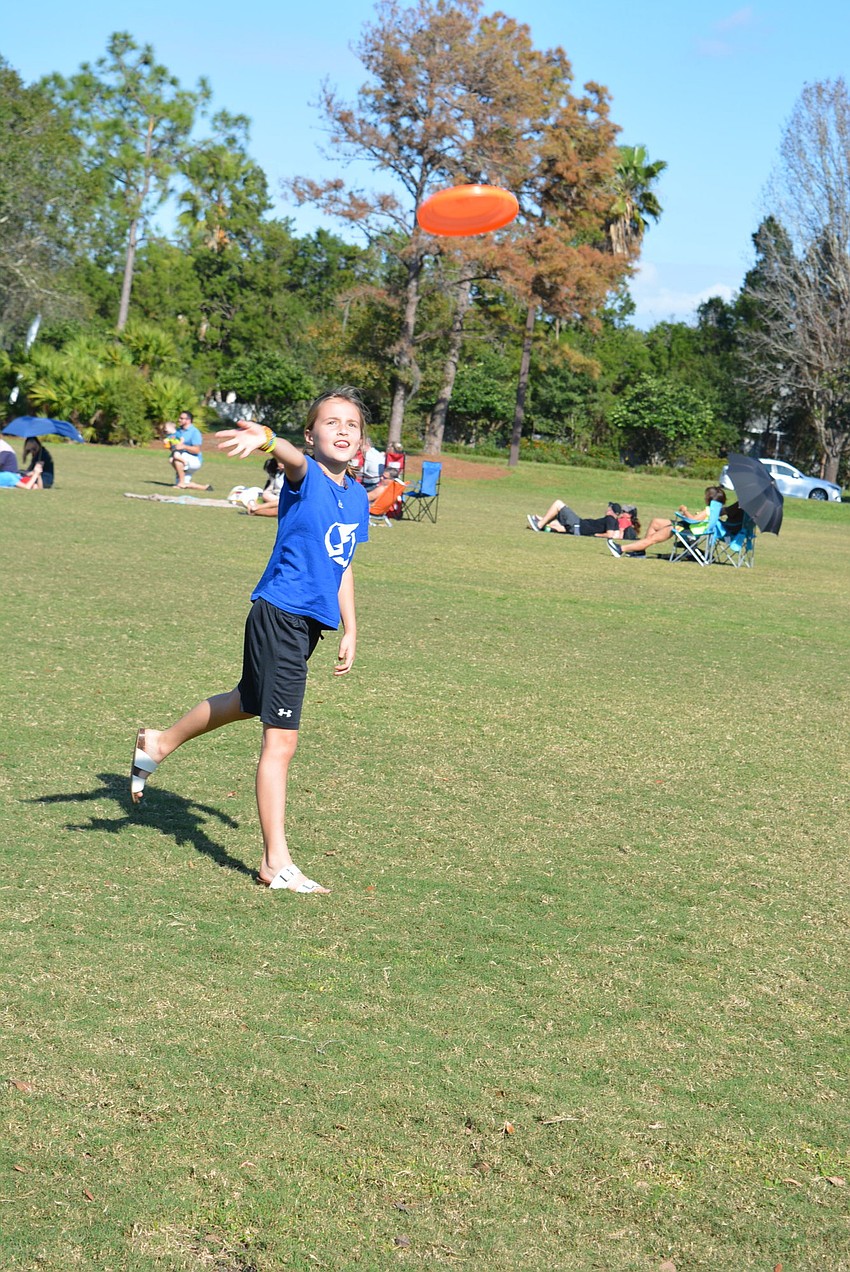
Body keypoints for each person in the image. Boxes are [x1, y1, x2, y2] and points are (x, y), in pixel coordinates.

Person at [130, 387, 370, 895]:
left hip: (307, 625)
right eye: (331, 422)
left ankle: (160, 741)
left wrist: (351, 627)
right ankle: (274, 862)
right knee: (280, 740)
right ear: (312, 435)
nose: (343, 430)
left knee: (248, 701)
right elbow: (288, 457)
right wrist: (266, 439)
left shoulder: (356, 497)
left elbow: (343, 564)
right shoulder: (306, 477)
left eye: (352, 423)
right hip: (280, 614)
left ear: (362, 440)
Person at [608, 486, 726, 557]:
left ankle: (620, 549)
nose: (704, 497)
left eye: (706, 495)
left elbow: (692, 520)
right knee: (655, 522)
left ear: (710, 498)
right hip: (687, 526)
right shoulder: (716, 509)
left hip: (687, 529)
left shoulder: (708, 510)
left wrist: (685, 511)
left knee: (652, 539)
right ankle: (640, 551)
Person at [165, 410, 211, 490]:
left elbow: (197, 450)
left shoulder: (194, 432)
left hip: (194, 459)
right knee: (172, 459)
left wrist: (184, 447)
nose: (179, 420)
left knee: (175, 459)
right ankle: (204, 487)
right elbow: (175, 446)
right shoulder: (177, 431)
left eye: (182, 418)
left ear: (188, 420)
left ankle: (182, 482)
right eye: (179, 418)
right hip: (183, 457)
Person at [527, 500, 624, 537]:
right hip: (578, 526)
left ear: (610, 510)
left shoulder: (610, 519)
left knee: (558, 504)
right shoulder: (613, 521)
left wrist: (595, 534)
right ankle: (540, 521)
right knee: (556, 520)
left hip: (578, 525)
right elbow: (617, 535)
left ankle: (538, 525)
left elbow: (610, 535)